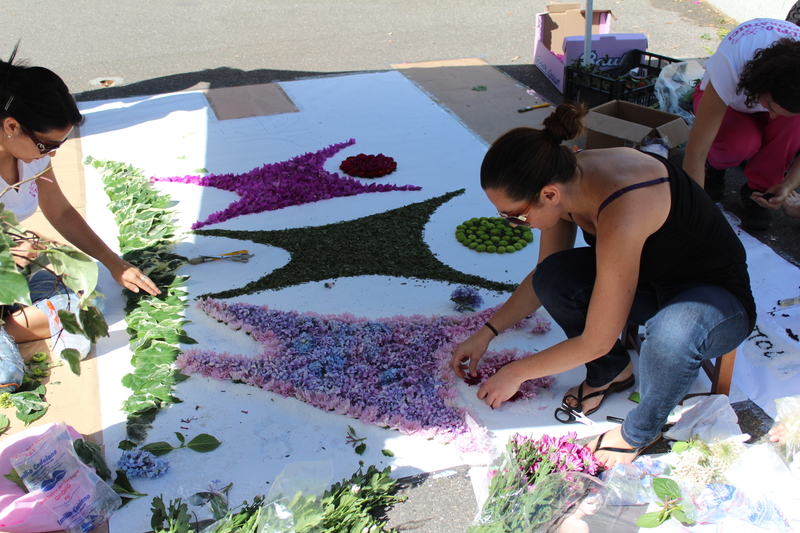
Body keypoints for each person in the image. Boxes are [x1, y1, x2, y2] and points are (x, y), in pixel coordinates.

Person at [450, 103, 755, 468]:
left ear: (548, 195)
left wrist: (516, 372)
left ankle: (637, 433)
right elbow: (541, 278)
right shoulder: (565, 180)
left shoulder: (624, 204)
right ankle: (612, 371)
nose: (515, 224)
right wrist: (487, 332)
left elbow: (595, 337)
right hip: (651, 279)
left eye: (515, 216)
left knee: (671, 334)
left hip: (716, 298)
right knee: (554, 277)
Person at [0, 45, 160, 390]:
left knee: (90, 305)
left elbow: (59, 210)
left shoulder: (32, 157)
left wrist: (114, 263)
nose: (53, 153)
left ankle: (8, 326)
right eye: (47, 145)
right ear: (12, 126)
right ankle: (15, 328)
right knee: (7, 376)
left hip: (7, 276)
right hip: (5, 271)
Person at [682, 18, 800, 230]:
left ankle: (760, 191)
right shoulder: (733, 62)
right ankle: (716, 167)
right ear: (761, 84)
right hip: (728, 103)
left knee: (792, 126)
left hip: (778, 96)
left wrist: (787, 184)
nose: (771, 117)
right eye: (771, 107)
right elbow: (696, 151)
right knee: (738, 143)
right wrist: (694, 212)